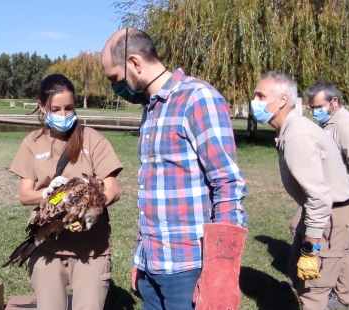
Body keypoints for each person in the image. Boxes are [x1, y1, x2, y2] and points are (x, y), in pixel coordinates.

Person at [100, 28, 248, 310]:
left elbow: (228, 184)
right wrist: (142, 257)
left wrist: (221, 271)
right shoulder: (152, 107)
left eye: (115, 79)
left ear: (134, 63)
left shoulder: (197, 99)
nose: (115, 89)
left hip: (188, 268)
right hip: (152, 264)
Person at [9, 73, 123, 310]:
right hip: (48, 249)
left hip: (91, 251)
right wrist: (49, 195)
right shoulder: (32, 143)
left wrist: (90, 212)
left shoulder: (91, 139)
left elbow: (112, 189)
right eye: (56, 109)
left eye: (69, 108)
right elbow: (24, 195)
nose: (63, 115)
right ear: (42, 107)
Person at [251, 72, 349, 310]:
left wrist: (311, 250)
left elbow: (320, 198)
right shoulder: (290, 128)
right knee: (296, 271)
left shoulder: (297, 135)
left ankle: (329, 300)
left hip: (332, 214)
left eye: (261, 96)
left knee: (314, 288)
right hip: (322, 210)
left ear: (281, 100)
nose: (255, 101)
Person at [304, 81, 349, 308]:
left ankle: (334, 296)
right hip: (330, 197)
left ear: (334, 101)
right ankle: (344, 295)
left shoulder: (346, 125)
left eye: (318, 106)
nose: (315, 111)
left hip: (341, 201)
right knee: (344, 248)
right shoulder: (330, 122)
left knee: (336, 250)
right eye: (312, 107)